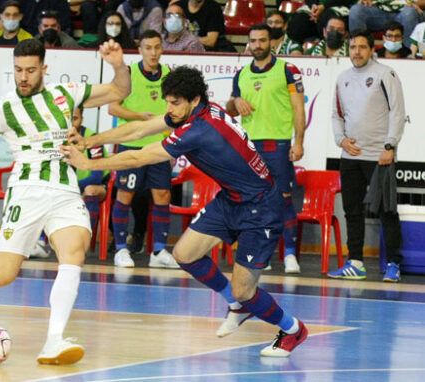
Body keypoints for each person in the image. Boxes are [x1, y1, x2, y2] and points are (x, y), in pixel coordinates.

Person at [62, 65, 309, 358]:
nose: (169, 108)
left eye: (175, 102)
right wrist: (91, 141)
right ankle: (237, 303)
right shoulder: (198, 111)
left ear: (194, 100)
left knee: (245, 289)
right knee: (184, 254)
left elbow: (140, 155)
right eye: (167, 101)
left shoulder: (199, 130)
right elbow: (141, 128)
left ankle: (293, 330)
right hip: (231, 199)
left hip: (261, 208)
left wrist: (88, 163)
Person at [0, 38, 130, 364]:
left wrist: (117, 64)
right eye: (17, 70)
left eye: (30, 70)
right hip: (26, 192)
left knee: (74, 253)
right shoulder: (2, 109)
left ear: (44, 68)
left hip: (64, 189)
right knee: (4, 276)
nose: (23, 77)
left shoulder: (65, 93)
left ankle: (54, 340)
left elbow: (118, 92)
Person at [227, 24, 306, 274]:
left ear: (271, 43)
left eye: (262, 40)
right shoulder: (241, 74)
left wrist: (299, 141)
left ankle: (291, 255)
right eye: (253, 41)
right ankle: (262, 254)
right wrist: (235, 101)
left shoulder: (288, 70)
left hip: (278, 144)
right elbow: (230, 109)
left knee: (283, 200)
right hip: (249, 147)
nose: (257, 45)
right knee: (253, 202)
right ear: (248, 43)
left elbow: (298, 108)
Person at [329, 29, 406, 282]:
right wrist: (341, 140)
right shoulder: (342, 78)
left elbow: (397, 112)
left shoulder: (385, 74)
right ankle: (356, 263)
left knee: (387, 211)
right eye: (353, 47)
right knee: (352, 210)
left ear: (371, 49)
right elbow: (336, 115)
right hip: (351, 156)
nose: (357, 52)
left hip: (379, 156)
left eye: (362, 47)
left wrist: (389, 146)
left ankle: (394, 264)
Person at [107, 30, 177, 269]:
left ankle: (158, 251)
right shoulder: (127, 73)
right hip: (131, 145)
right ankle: (120, 249)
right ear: (140, 50)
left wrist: (173, 147)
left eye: (157, 47)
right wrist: (139, 117)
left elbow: (176, 113)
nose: (154, 52)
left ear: (162, 48)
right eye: (148, 47)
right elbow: (113, 108)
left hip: (159, 147)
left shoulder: (169, 75)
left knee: (162, 196)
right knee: (125, 196)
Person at [31, 106, 110, 258]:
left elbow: (97, 176)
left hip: (96, 186)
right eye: (68, 119)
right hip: (68, 189)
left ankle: (83, 243)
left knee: (90, 190)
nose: (72, 124)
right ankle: (39, 242)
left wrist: (70, 190)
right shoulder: (55, 138)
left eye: (75, 119)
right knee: (44, 190)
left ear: (82, 119)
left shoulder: (91, 138)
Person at [349, 0, 424, 49]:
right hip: (378, 10)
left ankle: (409, 56)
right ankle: (360, 52)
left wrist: (416, 3)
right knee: (356, 10)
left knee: (409, 13)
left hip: (407, 10)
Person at [286, 0, 354, 45]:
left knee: (328, 20)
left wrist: (324, 6)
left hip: (338, 5)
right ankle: (295, 51)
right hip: (316, 7)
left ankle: (327, 51)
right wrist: (314, 6)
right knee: (298, 22)